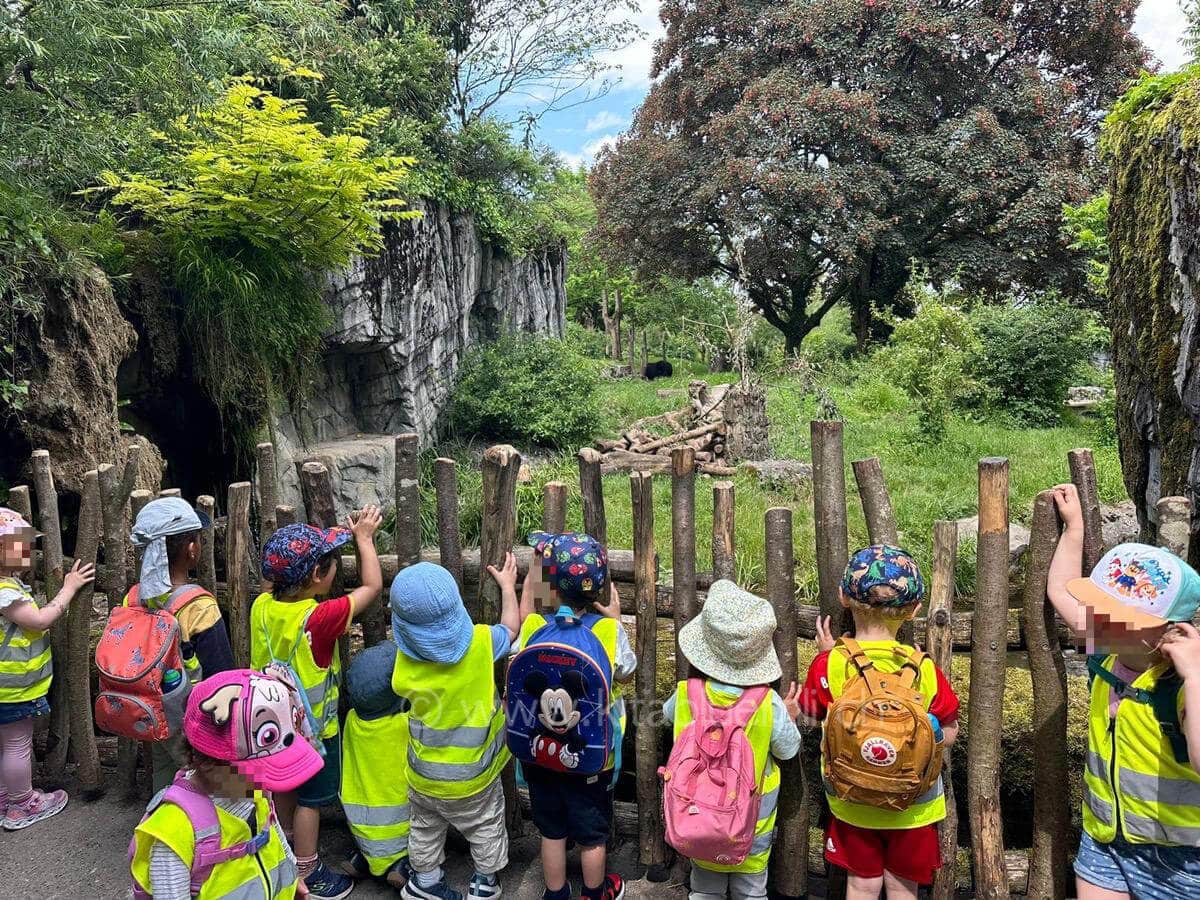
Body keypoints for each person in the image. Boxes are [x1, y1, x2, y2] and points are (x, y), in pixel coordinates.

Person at [1047, 484, 1200, 898]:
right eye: (1098, 610)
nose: (1097, 621)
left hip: (1184, 860)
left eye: (1115, 617)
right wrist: (1074, 528)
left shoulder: (1184, 683)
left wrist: (1196, 678)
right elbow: (1061, 591)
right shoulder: (1108, 652)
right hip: (1105, 842)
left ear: (1168, 627)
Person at [799, 545, 960, 900]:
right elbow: (949, 732)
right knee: (904, 886)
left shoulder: (832, 664)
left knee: (861, 884)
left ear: (843, 597)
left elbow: (810, 714)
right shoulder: (925, 669)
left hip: (852, 799)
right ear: (915, 609)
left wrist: (826, 656)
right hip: (913, 805)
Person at [252, 508, 384, 900]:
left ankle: (283, 844)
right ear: (315, 576)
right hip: (314, 733)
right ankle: (307, 868)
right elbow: (372, 586)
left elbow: (272, 584)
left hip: (270, 725)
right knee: (311, 799)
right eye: (330, 564)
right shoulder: (320, 618)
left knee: (282, 787)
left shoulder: (262, 606)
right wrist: (364, 539)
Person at [130, 667, 324, 899]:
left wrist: (292, 877)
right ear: (207, 763)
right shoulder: (175, 832)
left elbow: (273, 834)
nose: (265, 786)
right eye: (259, 772)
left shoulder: (254, 792)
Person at [663, 579, 801, 900]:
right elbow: (789, 748)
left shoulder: (686, 694)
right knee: (751, 891)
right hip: (752, 825)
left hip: (697, 818)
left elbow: (670, 717)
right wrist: (789, 718)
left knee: (704, 888)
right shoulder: (769, 704)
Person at [390, 558, 520, 900]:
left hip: (422, 774)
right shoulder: (480, 643)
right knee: (486, 825)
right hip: (473, 776)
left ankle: (426, 881)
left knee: (424, 828)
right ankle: (484, 883)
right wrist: (508, 587)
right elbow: (510, 629)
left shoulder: (403, 661)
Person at [514, 532, 634, 900]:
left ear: (549, 585)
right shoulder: (608, 632)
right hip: (591, 760)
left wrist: (531, 581)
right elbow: (626, 670)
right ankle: (595, 892)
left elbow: (520, 652)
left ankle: (555, 892)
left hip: (538, 757)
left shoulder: (534, 626)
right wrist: (614, 622)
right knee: (591, 835)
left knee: (550, 831)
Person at [125, 496, 236, 792]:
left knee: (164, 772)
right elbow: (221, 674)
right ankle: (209, 831)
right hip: (190, 717)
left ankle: (162, 825)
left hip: (150, 708)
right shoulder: (198, 606)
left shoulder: (134, 597)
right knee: (219, 783)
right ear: (191, 549)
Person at [0, 506, 94, 830]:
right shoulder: (6, 592)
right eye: (20, 545)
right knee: (16, 743)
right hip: (10, 687)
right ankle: (21, 804)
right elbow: (40, 620)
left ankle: (4, 797)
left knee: (5, 743)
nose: (28, 550)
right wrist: (68, 588)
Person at [339, 641, 411, 890]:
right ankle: (403, 865)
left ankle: (363, 859)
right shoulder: (404, 724)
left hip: (360, 826)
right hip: (402, 829)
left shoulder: (351, 722)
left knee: (373, 843)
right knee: (423, 838)